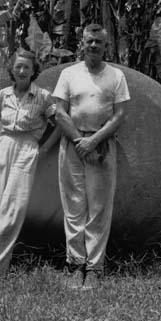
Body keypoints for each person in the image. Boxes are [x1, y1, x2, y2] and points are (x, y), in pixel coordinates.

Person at [0, 49, 59, 287]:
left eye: (27, 68)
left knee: (13, 210)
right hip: (3, 146)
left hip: (27, 150)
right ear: (12, 69)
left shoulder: (43, 96)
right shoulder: (2, 95)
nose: (22, 71)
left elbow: (58, 124)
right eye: (18, 66)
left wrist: (42, 148)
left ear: (33, 72)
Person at [53, 23, 130, 290]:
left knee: (99, 208)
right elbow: (60, 112)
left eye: (98, 41)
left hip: (102, 146)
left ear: (105, 45)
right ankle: (75, 264)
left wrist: (94, 141)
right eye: (89, 41)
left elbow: (120, 115)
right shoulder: (68, 74)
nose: (94, 45)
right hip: (73, 144)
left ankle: (95, 267)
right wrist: (78, 140)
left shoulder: (116, 76)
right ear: (82, 43)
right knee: (73, 206)